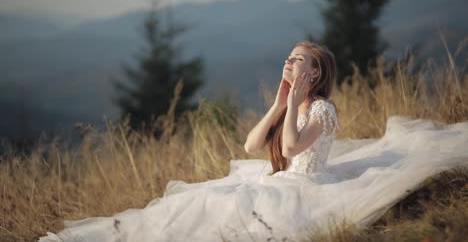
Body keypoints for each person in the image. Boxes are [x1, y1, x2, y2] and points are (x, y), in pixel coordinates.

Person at [39, 42, 468, 242]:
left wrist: (298, 101)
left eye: (297, 60)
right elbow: (249, 147)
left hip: (308, 187)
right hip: (276, 177)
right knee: (199, 203)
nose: (289, 62)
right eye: (289, 57)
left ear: (314, 74)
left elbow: (296, 149)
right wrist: (280, 102)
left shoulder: (323, 110)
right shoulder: (293, 102)